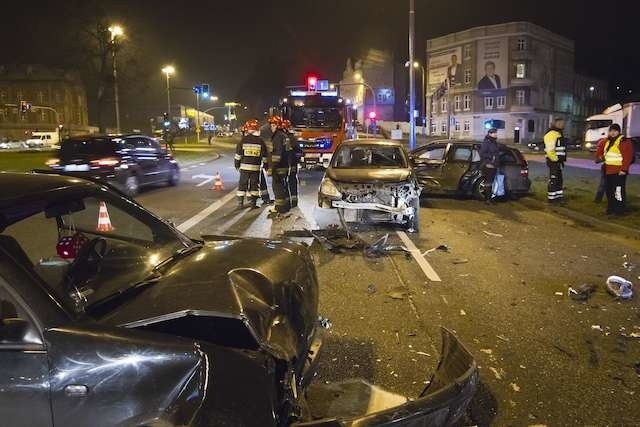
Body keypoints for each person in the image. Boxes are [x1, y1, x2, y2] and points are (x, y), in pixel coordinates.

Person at [595, 124, 634, 216]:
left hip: (619, 172)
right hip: (608, 171)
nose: (613, 133)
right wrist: (599, 158)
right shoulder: (607, 141)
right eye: (611, 131)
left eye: (615, 131)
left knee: (618, 192)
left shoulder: (624, 141)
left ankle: (619, 211)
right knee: (609, 192)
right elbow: (600, 154)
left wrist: (624, 170)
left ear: (619, 132)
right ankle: (610, 209)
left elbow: (627, 157)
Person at [234, 119, 268, 209]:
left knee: (242, 185)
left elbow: (238, 155)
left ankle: (240, 204)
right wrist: (266, 166)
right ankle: (253, 204)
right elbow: (265, 156)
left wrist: (237, 165)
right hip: (256, 168)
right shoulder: (261, 141)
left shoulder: (243, 140)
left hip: (244, 168)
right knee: (254, 186)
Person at [269, 115, 292, 213]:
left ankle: (279, 208)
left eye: (273, 125)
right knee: (284, 186)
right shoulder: (284, 136)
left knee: (277, 187)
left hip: (278, 167)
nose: (271, 127)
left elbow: (277, 155)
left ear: (277, 126)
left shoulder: (278, 136)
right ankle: (286, 205)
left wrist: (272, 168)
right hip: (285, 165)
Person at [543, 118, 567, 203]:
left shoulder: (558, 133)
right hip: (553, 161)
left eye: (563, 123)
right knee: (554, 179)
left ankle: (558, 197)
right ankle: (552, 198)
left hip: (558, 161)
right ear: (555, 124)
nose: (562, 125)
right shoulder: (551, 134)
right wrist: (556, 159)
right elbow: (550, 150)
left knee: (559, 179)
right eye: (560, 123)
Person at [283, 119, 301, 208]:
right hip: (292, 164)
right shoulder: (292, 138)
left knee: (285, 182)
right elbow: (299, 151)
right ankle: (294, 201)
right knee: (292, 181)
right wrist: (296, 160)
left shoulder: (282, 137)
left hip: (285, 165)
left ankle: (287, 201)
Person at [479, 128, 500, 202]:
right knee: (488, 182)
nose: (496, 134)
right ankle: (487, 198)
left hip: (494, 165)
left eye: (496, 133)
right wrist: (491, 157)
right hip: (488, 165)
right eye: (494, 133)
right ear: (490, 134)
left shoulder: (494, 142)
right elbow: (482, 153)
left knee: (492, 182)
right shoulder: (486, 142)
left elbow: (496, 152)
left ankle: (490, 197)